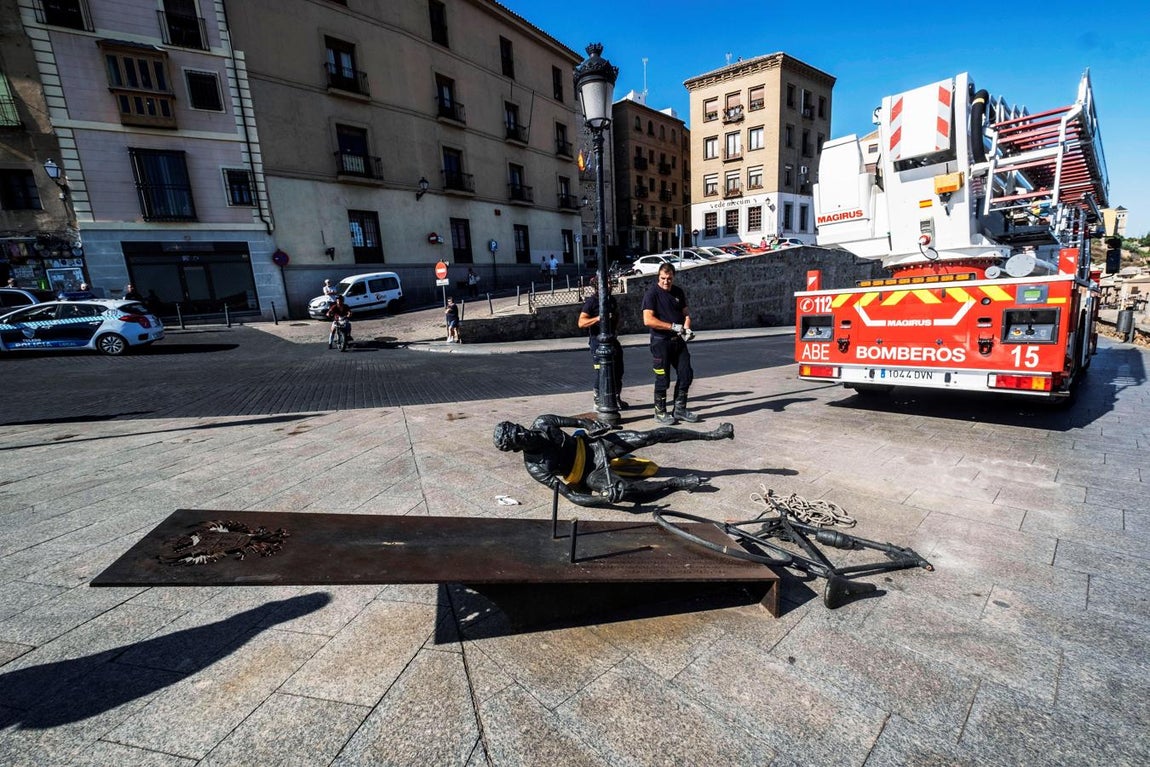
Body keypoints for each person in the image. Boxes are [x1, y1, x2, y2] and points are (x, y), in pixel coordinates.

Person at [493, 414, 734, 507]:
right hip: (588, 475)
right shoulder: (536, 467)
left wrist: (594, 426)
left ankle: (712, 434)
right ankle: (676, 484)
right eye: (519, 439)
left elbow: (583, 423)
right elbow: (573, 496)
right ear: (517, 449)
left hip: (594, 446)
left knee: (649, 435)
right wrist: (604, 500)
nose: (524, 434)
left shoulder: (544, 423)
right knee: (625, 490)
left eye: (520, 429)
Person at [642, 263, 699, 424]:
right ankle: (660, 412)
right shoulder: (652, 294)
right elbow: (648, 320)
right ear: (658, 277)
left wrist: (686, 328)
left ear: (673, 277)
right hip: (661, 343)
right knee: (662, 379)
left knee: (686, 374)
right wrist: (672, 326)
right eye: (663, 278)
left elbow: (686, 314)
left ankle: (679, 410)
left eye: (669, 279)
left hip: (678, 342)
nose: (666, 282)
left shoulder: (678, 292)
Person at [577, 275, 626, 409]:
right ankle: (598, 399)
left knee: (618, 370)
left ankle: (616, 397)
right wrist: (599, 318)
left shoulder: (611, 300)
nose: (610, 286)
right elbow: (581, 322)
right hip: (597, 342)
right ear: (598, 286)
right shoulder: (592, 302)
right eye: (607, 283)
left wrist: (616, 329)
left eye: (611, 283)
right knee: (601, 372)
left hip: (612, 340)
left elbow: (616, 315)